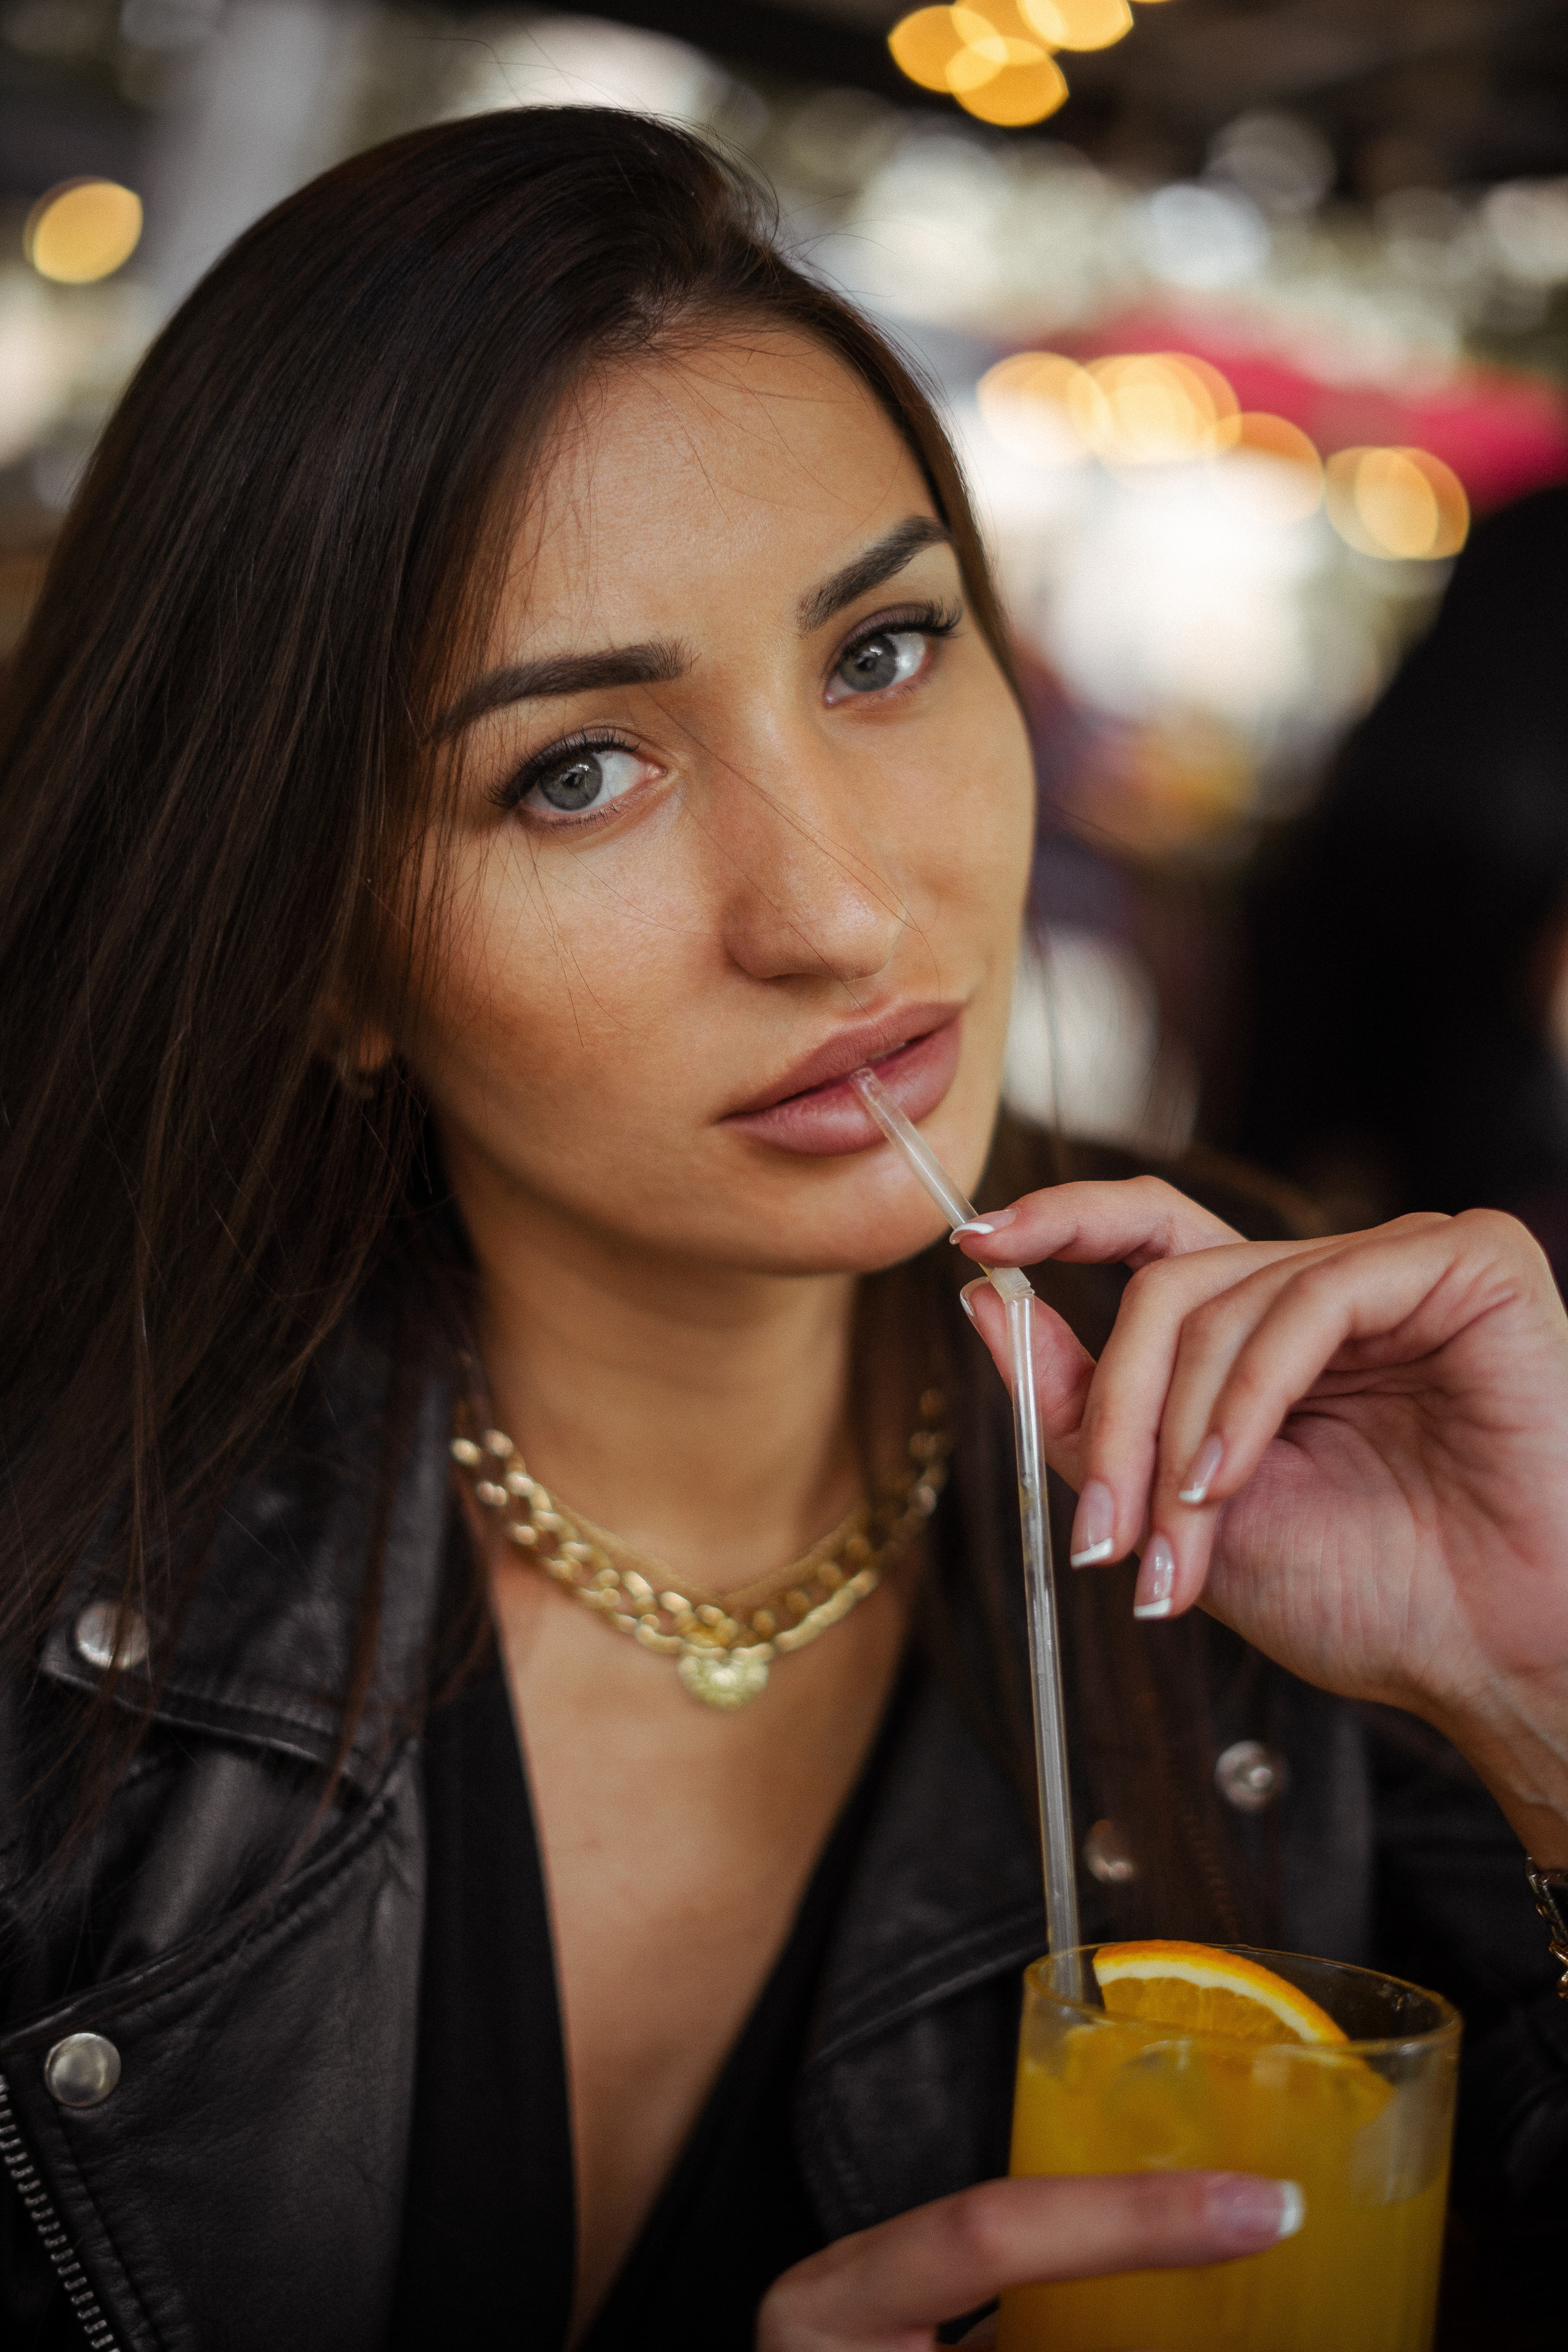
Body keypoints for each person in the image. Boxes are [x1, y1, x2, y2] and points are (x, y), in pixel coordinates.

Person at [0, 109, 1565, 2352]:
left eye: (885, 651)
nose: (837, 910)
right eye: (576, 771)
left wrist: (1545, 1721)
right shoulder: (55, 1587)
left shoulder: (1302, 1448)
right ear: (319, 954)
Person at [1238, 483, 1568, 1283]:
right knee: (1455, 1209)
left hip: (1357, 852)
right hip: (1480, 890)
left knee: (1268, 1164)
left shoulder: (1529, 513)